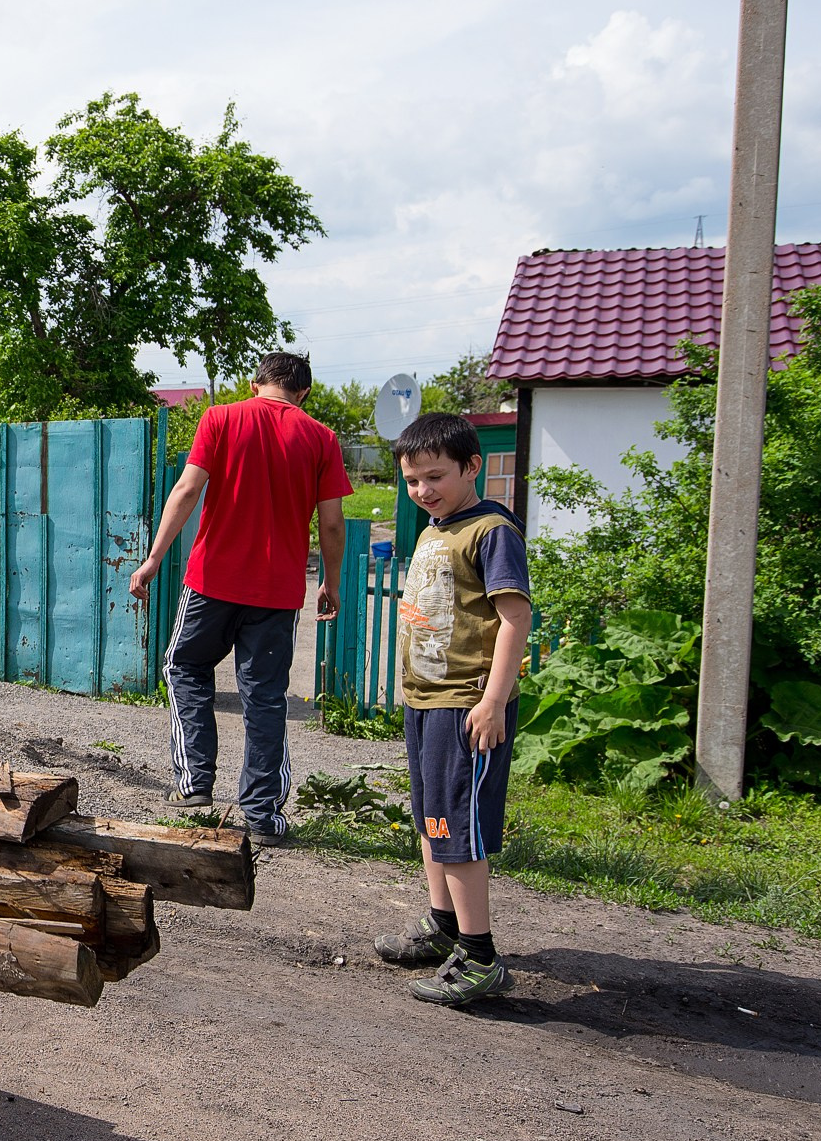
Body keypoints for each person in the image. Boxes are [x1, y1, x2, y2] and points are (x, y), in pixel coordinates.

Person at [129, 352, 351, 844]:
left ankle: (193, 784)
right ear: (304, 393)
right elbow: (332, 523)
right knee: (265, 696)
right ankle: (263, 814)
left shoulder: (221, 417)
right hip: (278, 591)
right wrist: (331, 582)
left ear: (256, 384)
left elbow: (187, 490)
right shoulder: (322, 438)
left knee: (183, 665)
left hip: (212, 581)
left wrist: (153, 558)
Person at [372, 412, 531, 1006]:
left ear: (472, 467)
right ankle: (444, 927)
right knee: (432, 818)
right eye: (413, 480)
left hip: (468, 705)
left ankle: (480, 956)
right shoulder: (432, 529)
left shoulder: (491, 532)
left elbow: (515, 618)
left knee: (459, 827)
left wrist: (492, 701)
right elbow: (430, 609)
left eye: (435, 477)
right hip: (427, 701)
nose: (423, 490)